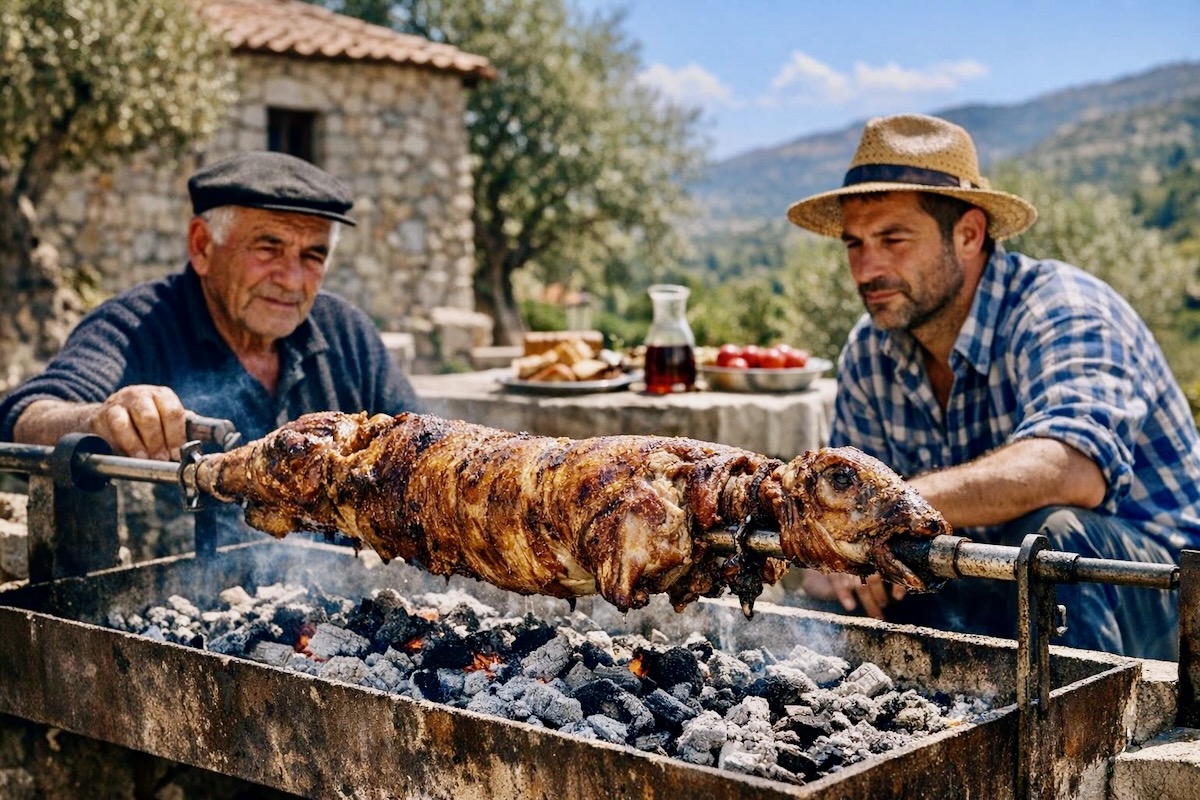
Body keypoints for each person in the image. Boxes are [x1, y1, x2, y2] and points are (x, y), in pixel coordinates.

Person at [785, 113, 1200, 660]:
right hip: (990, 581)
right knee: (845, 584)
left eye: (893, 239)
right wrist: (839, 558)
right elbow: (849, 511)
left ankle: (1088, 742)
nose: (867, 269)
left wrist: (881, 513)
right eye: (855, 244)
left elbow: (1072, 468)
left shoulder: (1063, 309)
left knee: (1054, 536)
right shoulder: (871, 349)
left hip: (1163, 593)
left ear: (968, 234)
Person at [0, 152, 421, 549]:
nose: (292, 280)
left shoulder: (347, 334)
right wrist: (97, 419)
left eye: (312, 255)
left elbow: (415, 450)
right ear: (202, 246)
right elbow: (22, 416)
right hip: (183, 604)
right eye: (268, 247)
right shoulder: (135, 326)